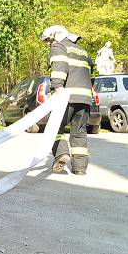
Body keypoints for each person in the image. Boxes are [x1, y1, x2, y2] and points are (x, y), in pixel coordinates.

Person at [41, 25, 93, 175]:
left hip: (67, 95)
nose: (49, 44)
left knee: (54, 127)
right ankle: (80, 168)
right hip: (84, 98)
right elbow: (91, 71)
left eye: (49, 40)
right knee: (79, 132)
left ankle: (61, 153)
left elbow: (59, 66)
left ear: (55, 36)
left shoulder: (59, 46)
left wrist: (57, 87)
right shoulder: (82, 50)